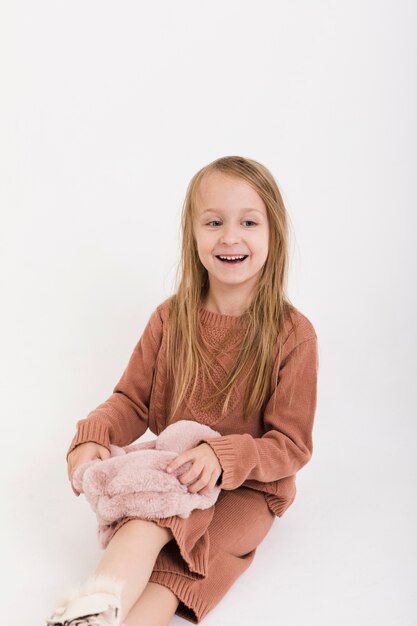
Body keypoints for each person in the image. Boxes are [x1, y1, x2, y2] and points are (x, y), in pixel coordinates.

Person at [46, 155, 319, 626]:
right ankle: (96, 608)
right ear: (193, 237)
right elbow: (132, 401)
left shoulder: (293, 334)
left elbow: (291, 446)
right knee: (149, 515)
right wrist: (94, 433)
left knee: (178, 569)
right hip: (177, 470)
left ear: (273, 233)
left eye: (248, 222)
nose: (230, 237)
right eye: (214, 222)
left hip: (247, 490)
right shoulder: (171, 319)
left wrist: (224, 457)